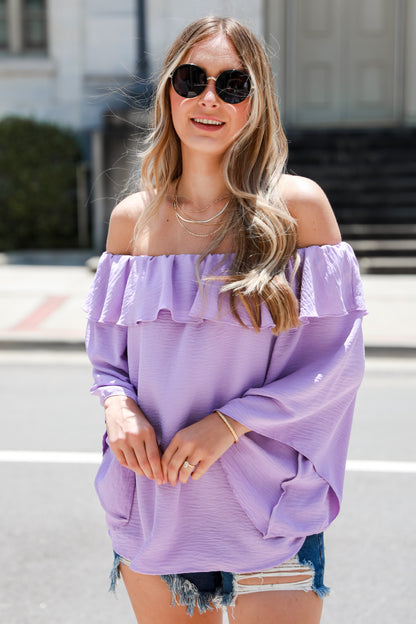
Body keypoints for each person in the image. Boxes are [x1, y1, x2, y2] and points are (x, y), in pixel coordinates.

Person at [84, 15, 366, 624]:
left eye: (232, 85)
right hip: (156, 499)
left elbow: (336, 367)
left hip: (268, 503)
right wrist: (118, 406)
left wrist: (227, 425)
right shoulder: (132, 221)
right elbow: (108, 361)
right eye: (193, 79)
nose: (209, 99)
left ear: (255, 103)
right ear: (168, 91)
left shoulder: (299, 208)